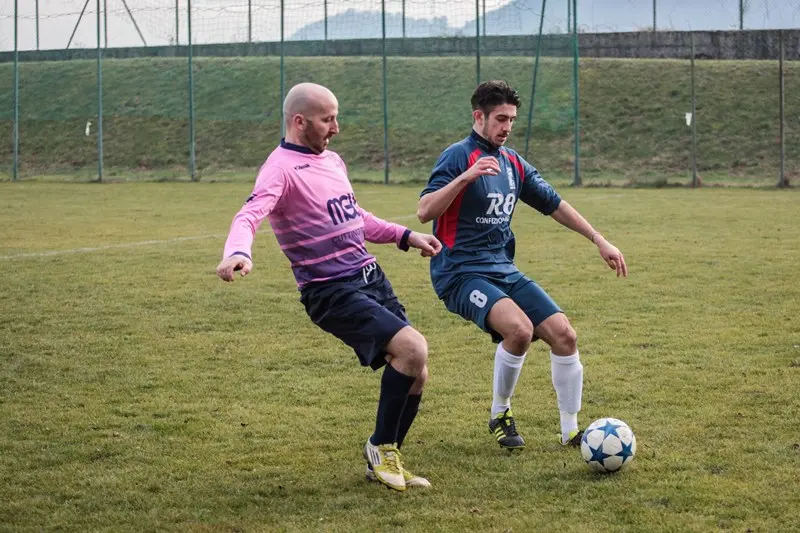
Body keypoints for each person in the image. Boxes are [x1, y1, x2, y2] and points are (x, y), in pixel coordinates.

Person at [216, 82, 442, 491]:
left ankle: (384, 456)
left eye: (336, 116)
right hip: (330, 289)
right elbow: (249, 215)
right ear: (299, 121)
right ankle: (382, 449)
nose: (336, 127)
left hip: (369, 277)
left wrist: (406, 236)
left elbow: (355, 217)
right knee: (413, 348)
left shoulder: (333, 161)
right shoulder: (279, 168)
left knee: (417, 372)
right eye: (327, 119)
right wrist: (240, 253)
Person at [417, 80, 627, 451]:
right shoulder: (456, 156)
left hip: (502, 268)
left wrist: (598, 239)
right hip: (459, 272)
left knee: (564, 335)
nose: (507, 127)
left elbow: (555, 204)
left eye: (512, 119)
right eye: (500, 118)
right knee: (519, 330)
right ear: (478, 117)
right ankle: (500, 413)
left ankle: (571, 432)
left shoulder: (513, 163)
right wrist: (465, 178)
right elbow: (424, 211)